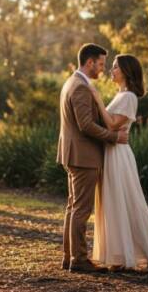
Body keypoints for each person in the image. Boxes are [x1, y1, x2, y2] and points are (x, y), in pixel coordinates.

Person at [88, 54, 148, 272]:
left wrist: (97, 100)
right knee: (114, 203)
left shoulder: (130, 97)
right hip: (111, 152)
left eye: (115, 67)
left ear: (125, 71)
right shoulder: (120, 95)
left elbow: (113, 124)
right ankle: (120, 256)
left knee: (128, 201)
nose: (111, 70)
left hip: (119, 155)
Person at [57, 43, 129, 273]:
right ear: (89, 63)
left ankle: (70, 257)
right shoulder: (80, 87)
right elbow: (85, 125)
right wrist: (114, 136)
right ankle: (78, 260)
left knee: (73, 206)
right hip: (83, 155)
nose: (103, 68)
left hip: (75, 154)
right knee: (81, 209)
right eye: (100, 64)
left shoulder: (73, 82)